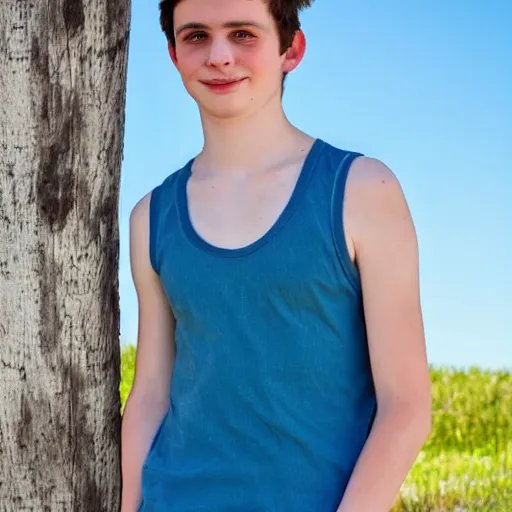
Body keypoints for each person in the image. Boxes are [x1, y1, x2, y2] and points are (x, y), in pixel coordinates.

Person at [121, 0, 432, 510]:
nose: (219, 56)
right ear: (174, 54)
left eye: (243, 34)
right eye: (196, 36)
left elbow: (407, 408)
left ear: (291, 49)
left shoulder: (362, 191)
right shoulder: (150, 217)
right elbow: (151, 392)